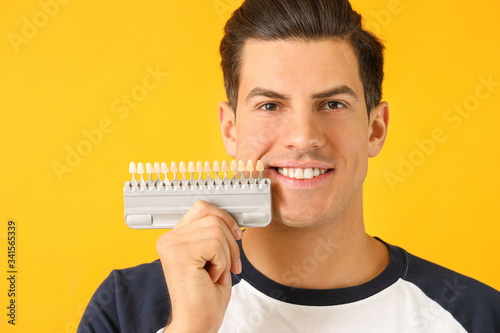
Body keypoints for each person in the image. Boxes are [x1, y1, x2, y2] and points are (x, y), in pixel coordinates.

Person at [78, 0, 500, 332]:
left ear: (375, 129)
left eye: (332, 104)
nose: (303, 136)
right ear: (230, 129)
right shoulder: (127, 308)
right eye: (270, 105)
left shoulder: (477, 316)